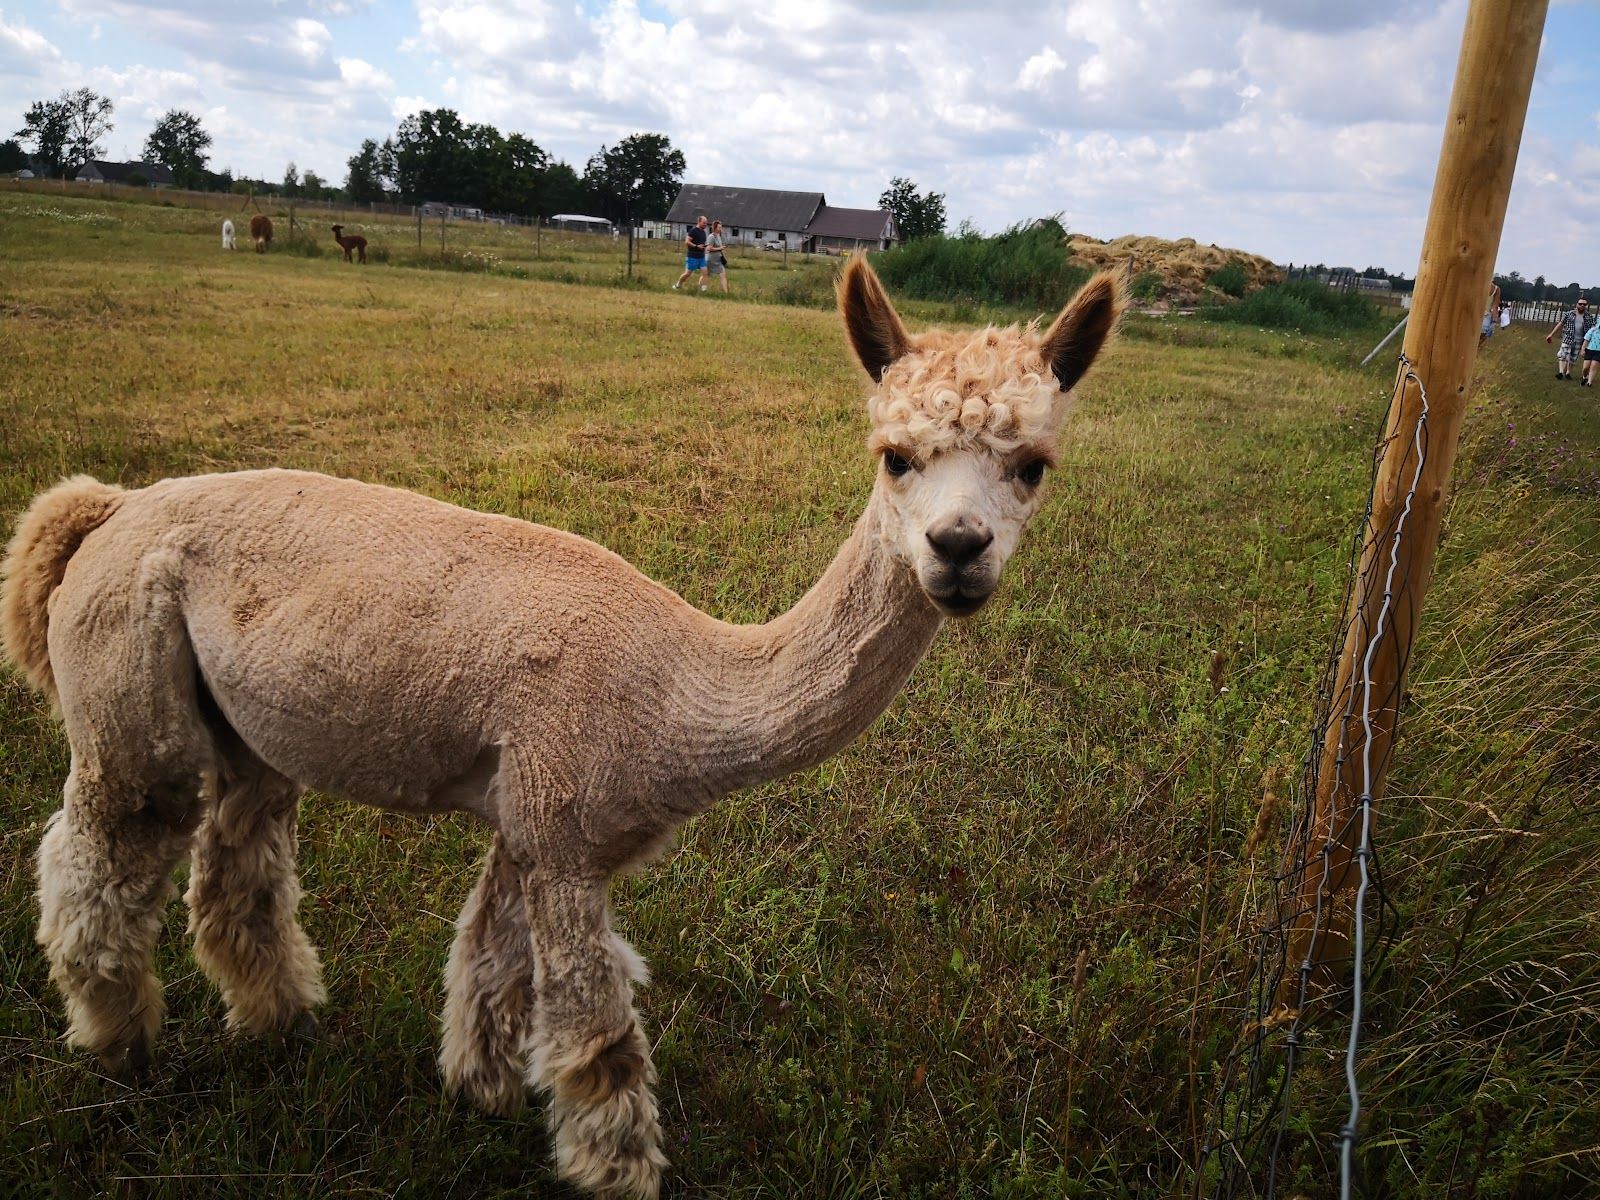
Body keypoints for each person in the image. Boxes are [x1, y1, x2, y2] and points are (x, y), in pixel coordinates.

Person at [1545, 297, 1592, 380]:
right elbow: (1561, 324)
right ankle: (1561, 372)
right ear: (1577, 304)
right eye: (1580, 304)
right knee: (1562, 355)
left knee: (1573, 358)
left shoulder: (1589, 317)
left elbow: (1592, 329)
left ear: (1586, 306)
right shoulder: (1569, 314)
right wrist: (1551, 334)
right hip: (1568, 338)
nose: (1582, 305)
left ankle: (1568, 373)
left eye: (1584, 304)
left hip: (1580, 340)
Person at [673, 215, 709, 291]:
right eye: (704, 223)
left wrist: (705, 248)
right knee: (688, 274)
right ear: (699, 222)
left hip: (701, 257)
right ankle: (678, 285)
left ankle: (703, 289)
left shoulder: (704, 232)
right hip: (692, 256)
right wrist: (696, 246)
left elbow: (702, 243)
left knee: (705, 273)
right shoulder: (693, 231)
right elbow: (687, 242)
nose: (705, 225)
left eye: (706, 223)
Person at [704, 220, 729, 293]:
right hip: (711, 260)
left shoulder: (718, 236)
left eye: (721, 227)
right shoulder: (711, 237)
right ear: (714, 228)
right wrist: (719, 248)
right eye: (719, 227)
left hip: (718, 260)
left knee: (723, 275)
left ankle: (726, 293)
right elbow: (708, 248)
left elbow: (719, 247)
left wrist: (722, 249)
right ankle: (702, 288)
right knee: (705, 275)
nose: (720, 229)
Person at [1583, 312, 1600, 387]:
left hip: (1599, 352)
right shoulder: (1592, 330)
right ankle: (1584, 377)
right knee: (1585, 368)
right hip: (1589, 350)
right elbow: (1586, 340)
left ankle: (1589, 382)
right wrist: (1583, 349)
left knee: (1594, 366)